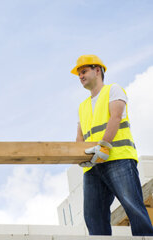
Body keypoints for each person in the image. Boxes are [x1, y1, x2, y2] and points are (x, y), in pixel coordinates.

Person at [73, 54, 153, 236]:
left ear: (98, 70)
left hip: (118, 159)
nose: (81, 76)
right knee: (93, 216)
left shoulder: (113, 90)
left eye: (84, 71)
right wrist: (80, 156)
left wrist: (103, 147)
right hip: (93, 167)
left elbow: (115, 118)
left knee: (133, 206)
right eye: (79, 74)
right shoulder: (82, 106)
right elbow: (80, 136)